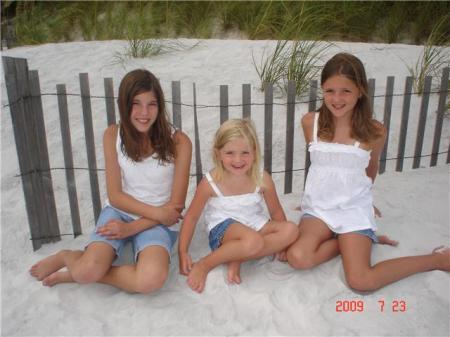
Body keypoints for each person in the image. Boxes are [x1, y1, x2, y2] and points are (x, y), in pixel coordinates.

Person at [281, 53, 450, 292]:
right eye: (330, 91)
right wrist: (312, 198)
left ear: (360, 90)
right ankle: (348, 242)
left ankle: (437, 259)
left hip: (352, 210)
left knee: (361, 281)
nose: (337, 99)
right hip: (318, 209)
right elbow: (321, 166)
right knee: (298, 257)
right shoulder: (311, 122)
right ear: (322, 90)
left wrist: (364, 201)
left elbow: (370, 170)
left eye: (346, 91)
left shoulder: (374, 131)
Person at [30, 69, 192, 293]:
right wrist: (143, 218)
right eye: (136, 103)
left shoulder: (180, 141)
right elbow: (115, 195)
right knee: (87, 270)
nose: (144, 113)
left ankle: (74, 274)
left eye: (151, 104)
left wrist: (133, 228)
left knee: (151, 280)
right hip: (122, 211)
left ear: (160, 106)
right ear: (124, 105)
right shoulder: (112, 135)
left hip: (158, 222)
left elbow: (175, 207)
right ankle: (68, 257)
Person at [178, 118, 298, 293]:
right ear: (217, 153)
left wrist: (283, 244)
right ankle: (206, 263)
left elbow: (276, 211)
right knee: (253, 241)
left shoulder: (262, 178)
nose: (238, 159)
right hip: (224, 228)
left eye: (245, 153)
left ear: (255, 152)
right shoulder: (210, 182)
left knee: (291, 230)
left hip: (255, 224)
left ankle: (238, 257)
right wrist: (182, 252)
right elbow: (191, 217)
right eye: (230, 153)